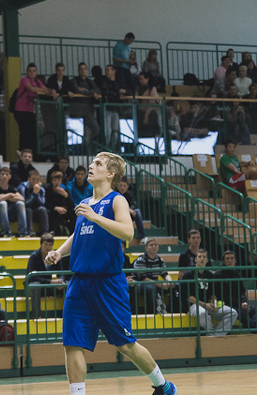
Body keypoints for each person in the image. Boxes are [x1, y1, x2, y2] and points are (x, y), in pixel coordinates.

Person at [44, 152, 177, 395]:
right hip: (79, 282)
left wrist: (95, 217)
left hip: (107, 282)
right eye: (93, 162)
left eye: (98, 164)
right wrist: (59, 252)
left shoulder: (117, 200)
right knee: (72, 344)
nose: (91, 166)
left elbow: (127, 232)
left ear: (111, 173)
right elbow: (78, 234)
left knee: (125, 345)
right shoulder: (86, 202)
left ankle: (163, 385)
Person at [182, 249, 237, 335]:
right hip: (193, 305)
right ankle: (211, 334)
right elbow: (188, 297)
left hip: (208, 305)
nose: (202, 259)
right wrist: (204, 305)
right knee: (203, 313)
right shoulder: (188, 275)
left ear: (207, 260)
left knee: (232, 312)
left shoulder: (210, 275)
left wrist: (215, 303)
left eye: (204, 257)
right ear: (195, 259)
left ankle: (216, 336)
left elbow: (213, 293)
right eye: (199, 257)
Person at [27, 234, 67, 319]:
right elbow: (32, 277)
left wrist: (61, 281)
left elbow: (61, 272)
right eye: (45, 244)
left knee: (67, 285)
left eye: (50, 245)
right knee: (35, 286)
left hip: (48, 286)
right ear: (41, 244)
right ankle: (37, 317)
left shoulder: (54, 256)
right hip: (35, 286)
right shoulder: (34, 257)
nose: (48, 247)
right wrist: (51, 282)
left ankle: (67, 315)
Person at [13, 63, 49, 154]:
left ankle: (30, 152)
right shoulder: (24, 80)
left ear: (36, 72)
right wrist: (43, 90)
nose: (32, 73)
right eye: (30, 71)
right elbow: (31, 89)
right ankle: (22, 150)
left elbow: (46, 90)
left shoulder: (37, 82)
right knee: (24, 131)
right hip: (20, 110)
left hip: (29, 110)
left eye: (34, 71)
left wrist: (47, 90)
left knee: (32, 132)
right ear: (26, 72)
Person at [132, 238, 174, 314]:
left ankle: (174, 312)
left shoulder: (159, 260)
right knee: (151, 288)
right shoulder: (141, 259)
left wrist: (170, 282)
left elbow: (165, 274)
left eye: (155, 245)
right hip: (142, 284)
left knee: (176, 286)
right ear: (146, 248)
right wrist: (160, 284)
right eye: (151, 245)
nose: (154, 247)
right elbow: (143, 278)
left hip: (155, 283)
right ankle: (152, 314)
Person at [0, 166, 27, 238]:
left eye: (7, 174)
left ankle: (23, 232)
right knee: (3, 203)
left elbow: (22, 199)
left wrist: (4, 196)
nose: (4, 176)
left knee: (20, 204)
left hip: (10, 212)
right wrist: (9, 195)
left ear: (10, 176)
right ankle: (6, 233)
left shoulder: (12, 188)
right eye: (2, 174)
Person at [68, 62, 102, 141]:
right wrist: (91, 93)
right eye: (81, 69)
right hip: (77, 110)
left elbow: (98, 91)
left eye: (84, 69)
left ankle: (91, 145)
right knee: (78, 133)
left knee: (96, 129)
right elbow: (76, 89)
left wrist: (85, 91)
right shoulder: (74, 80)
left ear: (87, 70)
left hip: (88, 111)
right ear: (78, 70)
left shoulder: (89, 81)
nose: (83, 71)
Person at [19, 169, 49, 237]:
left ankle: (45, 232)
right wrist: (34, 193)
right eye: (33, 179)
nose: (35, 181)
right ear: (28, 179)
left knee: (42, 209)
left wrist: (37, 193)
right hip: (24, 211)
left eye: (37, 179)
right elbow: (25, 204)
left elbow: (42, 203)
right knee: (28, 210)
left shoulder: (41, 189)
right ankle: (29, 232)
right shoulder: (22, 187)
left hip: (35, 210)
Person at [45, 170, 75, 236]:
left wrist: (66, 196)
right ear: (52, 181)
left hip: (61, 211)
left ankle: (72, 233)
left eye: (58, 180)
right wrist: (55, 208)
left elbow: (71, 205)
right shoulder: (47, 189)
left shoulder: (64, 189)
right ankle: (50, 231)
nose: (56, 182)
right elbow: (45, 203)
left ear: (61, 181)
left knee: (73, 213)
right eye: (55, 180)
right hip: (52, 210)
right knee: (47, 212)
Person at [117, 177, 146, 244]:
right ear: (117, 186)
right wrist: (127, 209)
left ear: (127, 186)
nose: (122, 188)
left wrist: (130, 209)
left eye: (124, 186)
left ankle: (142, 237)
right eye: (121, 185)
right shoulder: (114, 194)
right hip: (117, 214)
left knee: (137, 212)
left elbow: (134, 204)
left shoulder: (129, 194)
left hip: (128, 215)